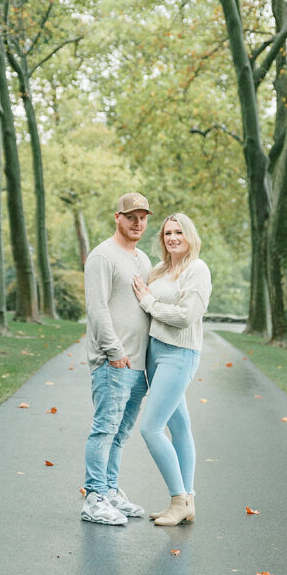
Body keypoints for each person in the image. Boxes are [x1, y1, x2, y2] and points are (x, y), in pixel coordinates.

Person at [132, 213, 212, 527]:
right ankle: (187, 501)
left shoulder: (197, 269)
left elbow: (186, 316)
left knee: (151, 428)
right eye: (167, 233)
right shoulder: (160, 270)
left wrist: (150, 302)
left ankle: (178, 499)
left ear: (189, 235)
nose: (173, 237)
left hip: (179, 354)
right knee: (179, 427)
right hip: (155, 353)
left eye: (179, 232)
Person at [81, 192, 153, 525]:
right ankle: (94, 497)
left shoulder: (143, 260)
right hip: (114, 362)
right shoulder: (102, 257)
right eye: (131, 217)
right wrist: (115, 351)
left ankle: (110, 491)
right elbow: (97, 309)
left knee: (122, 433)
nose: (138, 223)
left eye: (143, 217)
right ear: (117, 217)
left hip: (138, 365)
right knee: (105, 429)